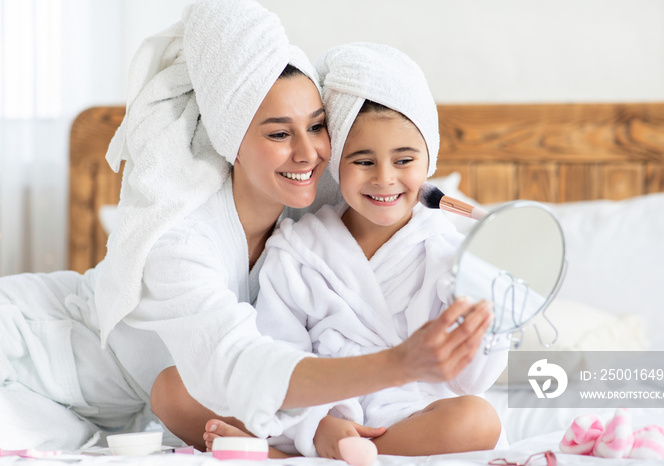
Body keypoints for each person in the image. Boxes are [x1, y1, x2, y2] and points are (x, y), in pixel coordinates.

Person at [0, 0, 491, 452]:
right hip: (27, 358)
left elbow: (414, 198)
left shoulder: (313, 196)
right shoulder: (179, 238)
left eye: (318, 125)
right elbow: (233, 361)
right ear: (233, 142)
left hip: (130, 413)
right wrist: (401, 364)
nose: (308, 151)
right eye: (279, 133)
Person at [154, 42, 507, 458]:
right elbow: (277, 349)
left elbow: (470, 381)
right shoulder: (299, 246)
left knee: (479, 418)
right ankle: (321, 448)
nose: (384, 178)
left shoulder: (449, 253)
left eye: (403, 159)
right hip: (306, 413)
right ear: (337, 162)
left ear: (428, 160)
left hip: (403, 416)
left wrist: (494, 302)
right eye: (362, 161)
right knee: (173, 389)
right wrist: (317, 425)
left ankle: (317, 456)